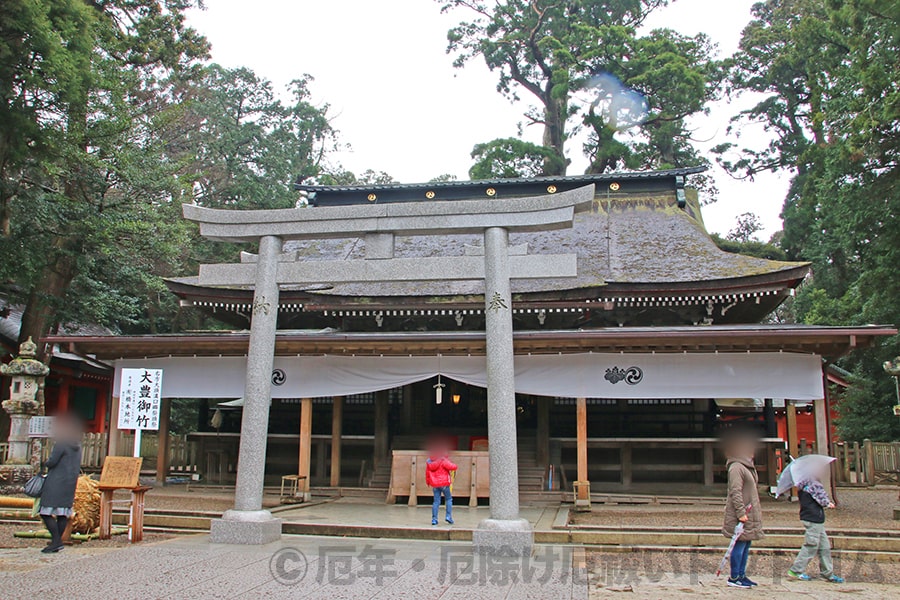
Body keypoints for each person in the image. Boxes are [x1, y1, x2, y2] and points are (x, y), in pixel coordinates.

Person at [721, 429, 764, 589]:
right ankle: (734, 576)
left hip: (749, 509)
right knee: (739, 544)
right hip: (742, 511)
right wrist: (740, 512)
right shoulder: (736, 467)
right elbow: (735, 491)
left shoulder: (746, 467)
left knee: (746, 544)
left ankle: (742, 574)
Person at [787, 465, 844, 583]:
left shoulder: (802, 484)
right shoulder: (813, 483)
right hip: (814, 517)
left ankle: (828, 573)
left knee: (824, 546)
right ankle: (796, 570)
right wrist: (828, 503)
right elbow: (822, 499)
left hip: (811, 517)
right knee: (811, 545)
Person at [39, 412, 83, 553]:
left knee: (45, 511)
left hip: (56, 481)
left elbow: (52, 461)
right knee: (62, 513)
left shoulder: (62, 444)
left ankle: (56, 540)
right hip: (70, 482)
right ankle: (57, 542)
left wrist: (45, 463)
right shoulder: (78, 445)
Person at [426, 447, 457, 526]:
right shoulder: (443, 460)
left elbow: (427, 473)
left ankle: (434, 519)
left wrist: (428, 482)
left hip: (435, 484)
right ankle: (448, 516)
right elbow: (453, 467)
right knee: (449, 499)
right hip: (444, 484)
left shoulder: (429, 462)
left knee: (436, 501)